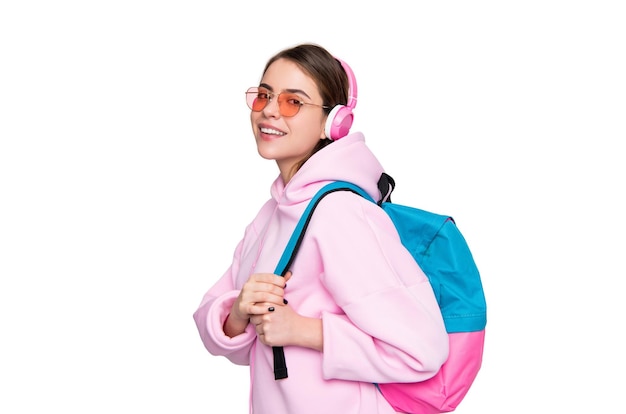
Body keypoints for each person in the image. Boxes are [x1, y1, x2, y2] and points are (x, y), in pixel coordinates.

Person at [193, 43, 449, 414]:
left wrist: (304, 331)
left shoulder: (340, 213)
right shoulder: (272, 214)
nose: (268, 110)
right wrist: (236, 313)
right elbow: (215, 329)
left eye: (292, 102)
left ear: (333, 123)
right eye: (264, 95)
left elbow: (421, 349)